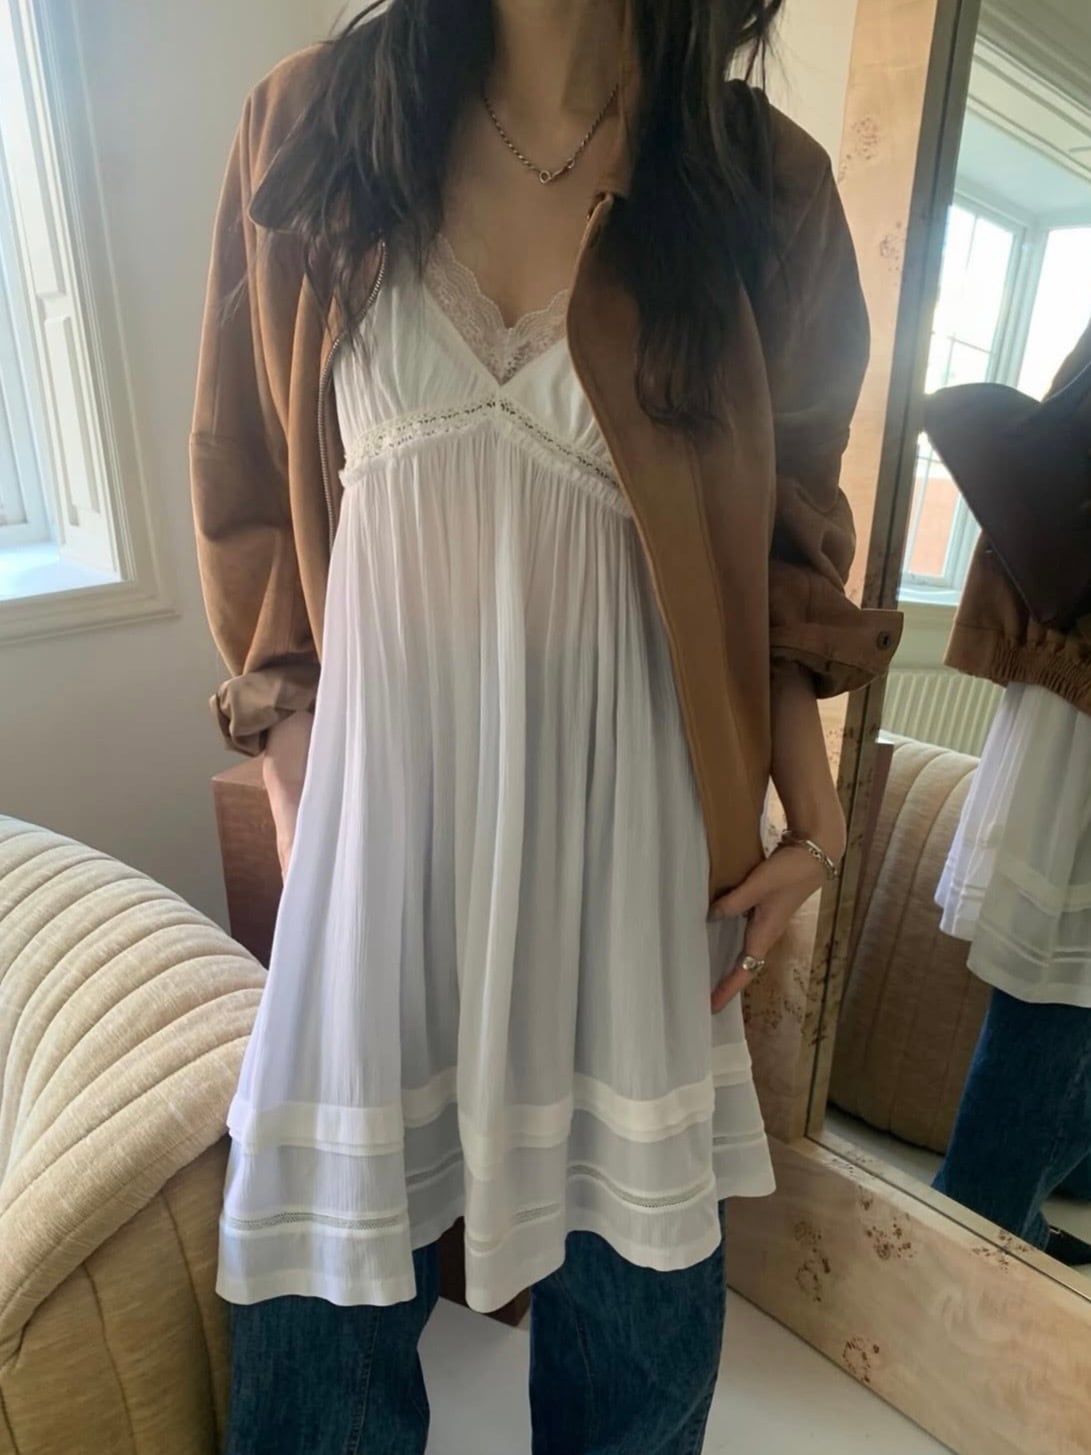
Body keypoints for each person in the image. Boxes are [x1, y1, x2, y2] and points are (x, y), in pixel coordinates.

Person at [190, 3, 899, 1450]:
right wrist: (299, 797)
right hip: (377, 857)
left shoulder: (762, 188)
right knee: (315, 1362)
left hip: (633, 863)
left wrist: (811, 811)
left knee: (632, 1368)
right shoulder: (309, 128)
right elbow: (247, 483)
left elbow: (787, 541)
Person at [932, 317, 1091, 1267]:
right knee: (1057, 985)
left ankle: (1001, 1207)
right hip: (1079, 688)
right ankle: (979, 1223)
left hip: (1067, 676)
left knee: (1061, 982)